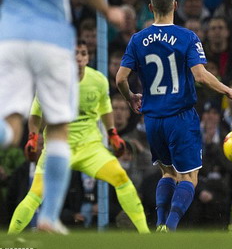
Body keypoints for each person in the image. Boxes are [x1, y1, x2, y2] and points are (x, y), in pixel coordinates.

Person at [0, 0, 124, 233]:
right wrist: (108, 12)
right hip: (52, 40)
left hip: (9, 36)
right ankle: (49, 218)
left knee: (11, 126)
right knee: (57, 128)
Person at [116, 0, 232, 232]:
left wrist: (130, 97)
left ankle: (161, 224)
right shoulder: (187, 37)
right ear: (175, 6)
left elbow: (120, 78)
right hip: (180, 117)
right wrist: (227, 90)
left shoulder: (138, 40)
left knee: (167, 174)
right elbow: (201, 76)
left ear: (151, 8)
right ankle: (170, 227)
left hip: (152, 119)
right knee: (189, 177)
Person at [8, 40, 148, 234]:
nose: (79, 58)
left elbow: (105, 109)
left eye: (83, 53)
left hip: (90, 147)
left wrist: (113, 135)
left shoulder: (98, 80)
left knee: (121, 178)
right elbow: (36, 114)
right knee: (35, 194)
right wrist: (32, 137)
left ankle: (146, 235)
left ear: (87, 57)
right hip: (58, 148)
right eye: (74, 53)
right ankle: (9, 239)